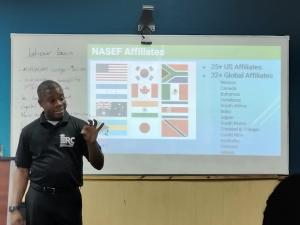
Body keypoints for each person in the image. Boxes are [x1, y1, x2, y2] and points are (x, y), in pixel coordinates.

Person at [9, 80, 104, 225]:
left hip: (69, 198)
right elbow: (22, 171)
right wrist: (14, 208)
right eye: (52, 100)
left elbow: (99, 164)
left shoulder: (80, 127)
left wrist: (91, 144)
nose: (59, 103)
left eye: (61, 98)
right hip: (38, 198)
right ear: (41, 103)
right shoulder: (29, 131)